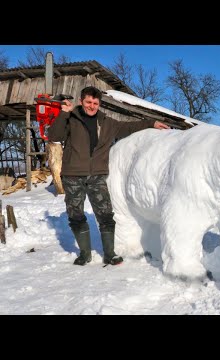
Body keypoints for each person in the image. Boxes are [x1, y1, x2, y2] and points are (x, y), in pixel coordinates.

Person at [46, 86, 170, 266]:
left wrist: (151, 123)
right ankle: (85, 253)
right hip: (73, 175)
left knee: (105, 215)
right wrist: (64, 114)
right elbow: (54, 136)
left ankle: (110, 253)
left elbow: (128, 127)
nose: (91, 106)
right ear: (81, 101)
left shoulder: (106, 122)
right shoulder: (71, 118)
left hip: (97, 176)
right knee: (76, 215)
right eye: (88, 102)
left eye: (95, 103)